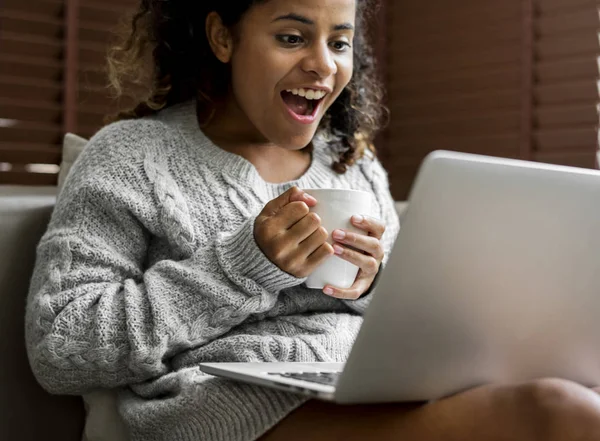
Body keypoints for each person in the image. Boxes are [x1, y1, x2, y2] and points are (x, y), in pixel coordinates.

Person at [24, 0, 600, 440]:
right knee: (555, 412)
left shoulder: (352, 162)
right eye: (292, 37)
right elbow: (60, 348)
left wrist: (373, 283)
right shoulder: (130, 157)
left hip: (360, 385)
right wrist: (239, 268)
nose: (323, 65)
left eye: (341, 42)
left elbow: (406, 320)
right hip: (230, 404)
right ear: (223, 36)